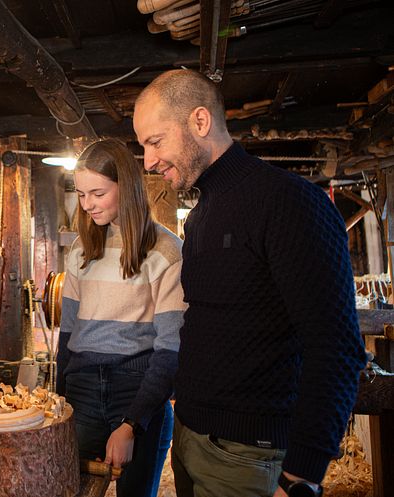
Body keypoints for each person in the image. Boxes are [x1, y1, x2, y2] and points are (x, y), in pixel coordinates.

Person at [133, 69, 367, 497]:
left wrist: (301, 475)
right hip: (191, 440)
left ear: (199, 122)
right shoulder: (202, 213)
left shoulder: (288, 202)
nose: (148, 161)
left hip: (248, 455)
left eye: (155, 141)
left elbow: (336, 346)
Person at [56, 139, 187, 497]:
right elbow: (67, 336)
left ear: (126, 188)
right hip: (81, 389)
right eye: (81, 194)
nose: (87, 205)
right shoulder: (80, 250)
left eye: (97, 193)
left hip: (137, 389)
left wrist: (132, 422)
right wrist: (58, 401)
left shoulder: (166, 251)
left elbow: (170, 350)